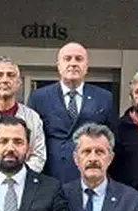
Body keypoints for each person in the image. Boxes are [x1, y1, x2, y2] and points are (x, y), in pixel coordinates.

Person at [28, 42, 119, 184]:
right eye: (67, 58)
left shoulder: (104, 97)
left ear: (86, 66)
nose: (73, 63)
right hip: (51, 178)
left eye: (79, 59)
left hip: (90, 177)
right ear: (58, 65)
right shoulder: (39, 97)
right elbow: (32, 141)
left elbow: (112, 139)